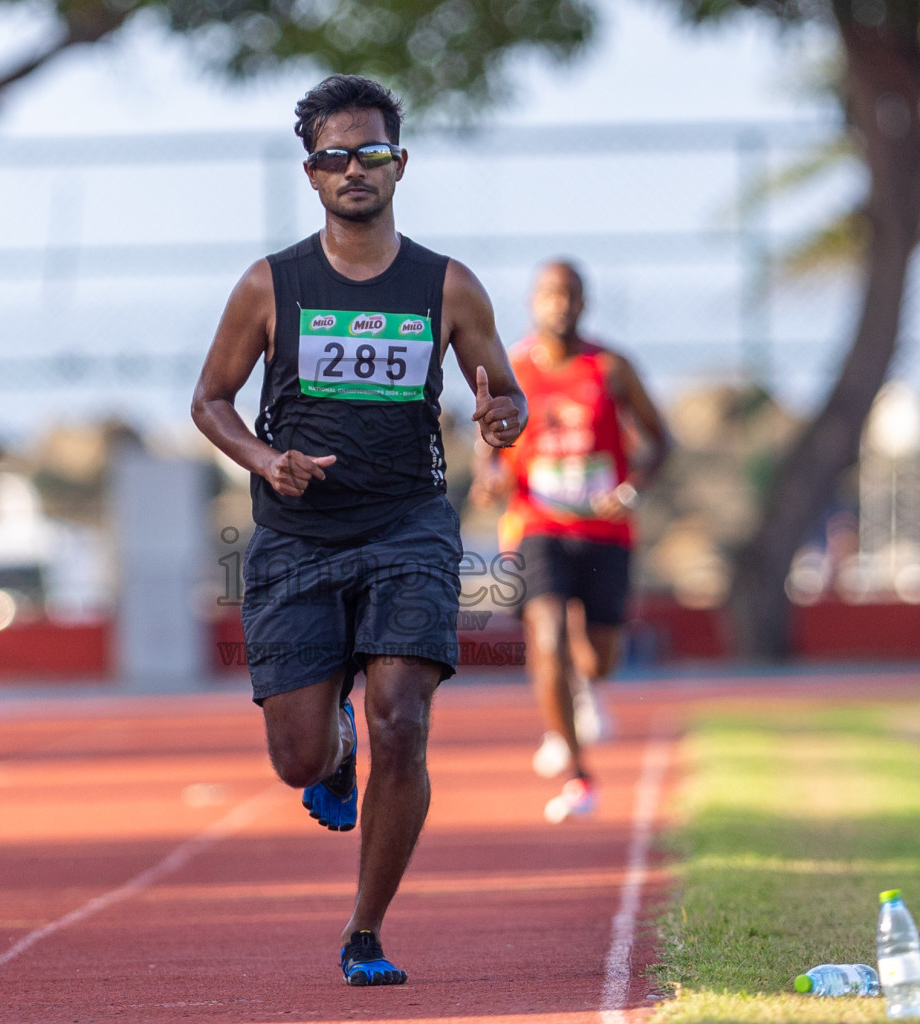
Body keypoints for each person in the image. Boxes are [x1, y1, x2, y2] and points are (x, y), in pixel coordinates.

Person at [191, 74, 525, 987]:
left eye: (370, 152)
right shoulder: (272, 283)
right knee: (300, 760)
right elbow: (210, 400)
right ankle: (330, 747)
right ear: (312, 174)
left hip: (409, 527)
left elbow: (502, 391)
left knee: (404, 720)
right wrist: (265, 460)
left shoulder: (446, 284)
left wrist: (503, 415)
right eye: (335, 156)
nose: (354, 169)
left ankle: (365, 930)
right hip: (297, 536)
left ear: (398, 164)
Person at [471, 260, 669, 822]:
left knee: (599, 657)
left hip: (605, 529)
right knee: (549, 634)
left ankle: (584, 689)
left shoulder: (611, 368)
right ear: (535, 302)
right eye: (551, 294)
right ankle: (577, 769)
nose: (560, 304)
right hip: (537, 524)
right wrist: (490, 476)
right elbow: (488, 443)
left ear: (584, 302)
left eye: (571, 294)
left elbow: (661, 442)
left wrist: (632, 488)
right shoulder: (511, 366)